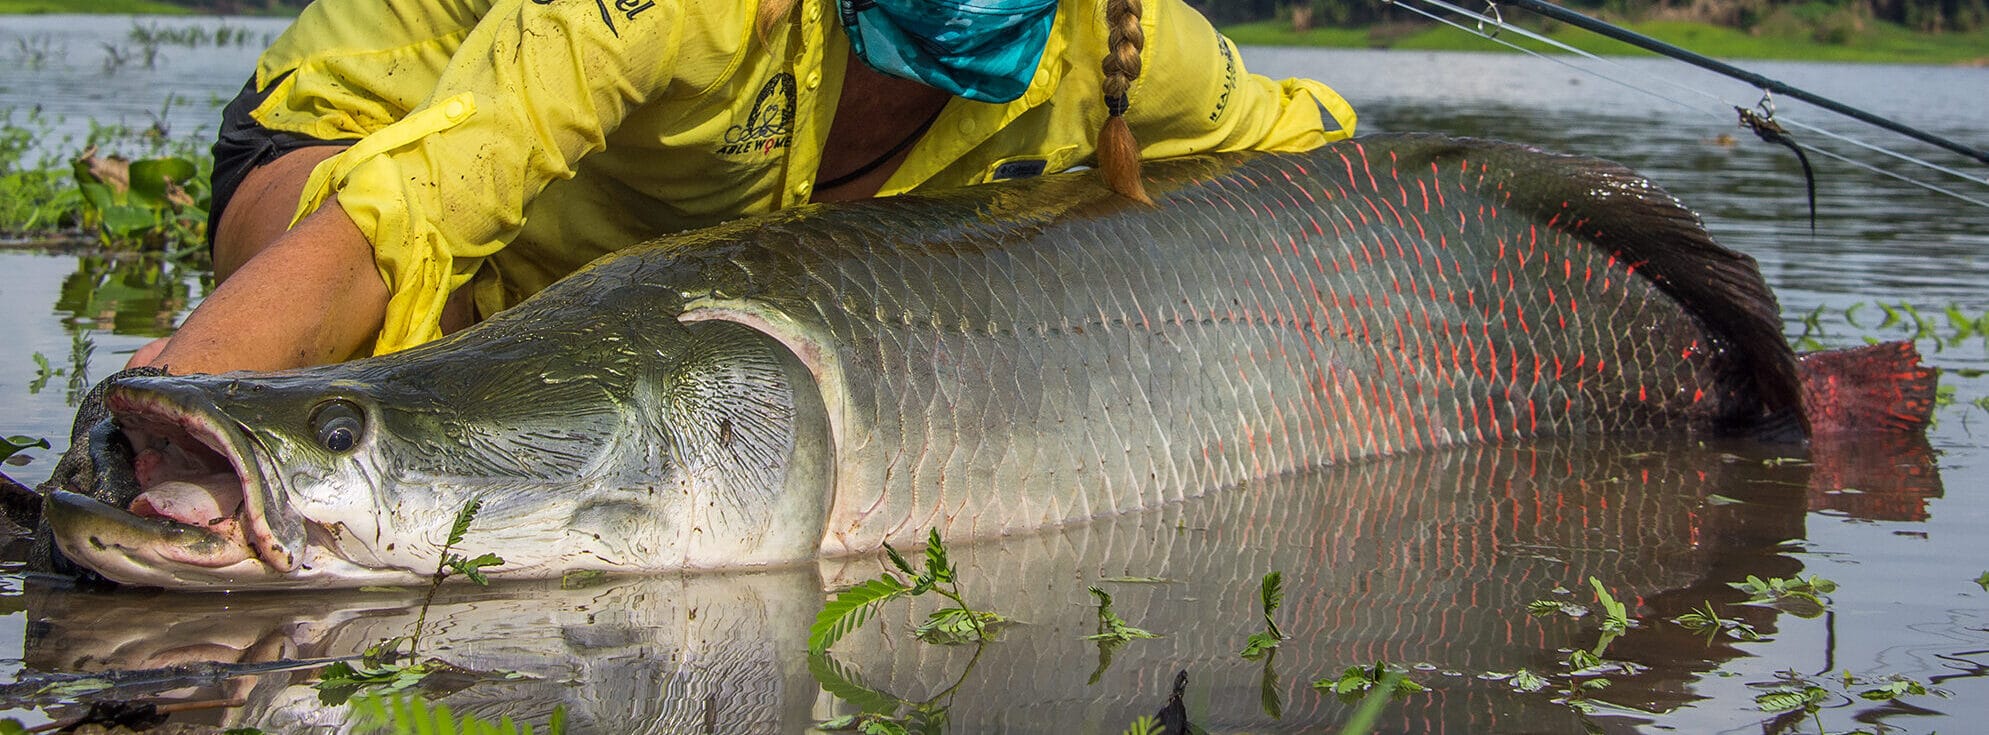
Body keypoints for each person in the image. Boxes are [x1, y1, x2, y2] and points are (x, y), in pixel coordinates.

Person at [129, 0, 1358, 374]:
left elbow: (1325, 162)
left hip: (642, 248)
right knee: (390, 343)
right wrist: (160, 422)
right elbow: (402, 215)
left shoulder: (1119, 44)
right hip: (367, 123)